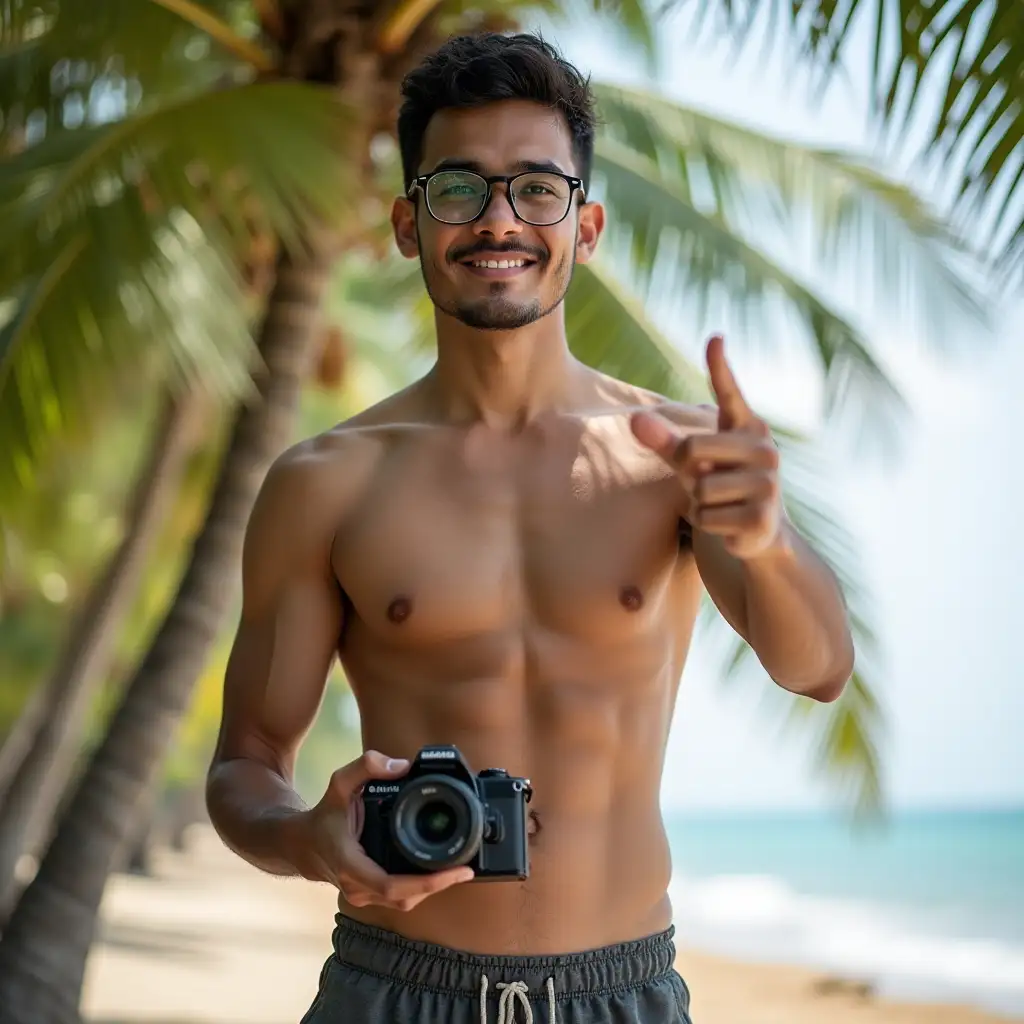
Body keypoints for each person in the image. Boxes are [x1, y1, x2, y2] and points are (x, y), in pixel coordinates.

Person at [205, 31, 855, 1024]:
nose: (497, 218)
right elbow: (245, 762)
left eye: (536, 189)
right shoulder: (326, 482)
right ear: (405, 223)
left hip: (621, 993)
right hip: (392, 990)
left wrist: (766, 540)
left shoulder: (678, 457)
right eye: (457, 187)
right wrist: (306, 842)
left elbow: (817, 669)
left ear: (584, 226)